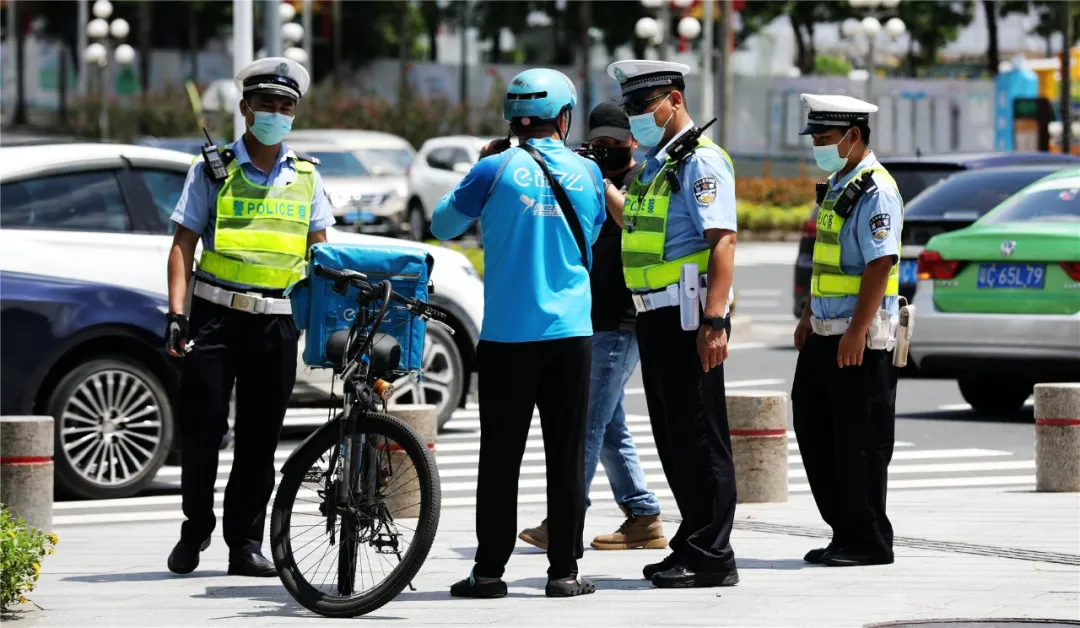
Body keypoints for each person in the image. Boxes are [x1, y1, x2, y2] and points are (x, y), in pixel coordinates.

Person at [432, 68, 606, 599]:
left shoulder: (493, 168)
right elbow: (594, 231)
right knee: (566, 454)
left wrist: (484, 168)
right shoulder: (587, 173)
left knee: (500, 457)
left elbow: (442, 225)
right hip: (570, 334)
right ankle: (564, 572)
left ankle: (488, 572)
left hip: (506, 337)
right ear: (564, 117)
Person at [164, 57, 335, 577]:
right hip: (216, 317)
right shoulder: (212, 169)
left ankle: (244, 542)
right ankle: (196, 526)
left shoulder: (307, 178)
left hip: (277, 323)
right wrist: (177, 315)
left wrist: (327, 325)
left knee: (260, 441)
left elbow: (323, 254)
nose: (276, 113)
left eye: (286, 106)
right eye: (267, 104)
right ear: (245, 109)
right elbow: (181, 246)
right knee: (202, 431)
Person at [605, 60, 739, 589]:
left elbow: (723, 241)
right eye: (631, 108)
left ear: (675, 100)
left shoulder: (701, 162)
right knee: (674, 436)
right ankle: (693, 539)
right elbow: (633, 226)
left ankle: (713, 554)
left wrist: (715, 320)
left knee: (702, 435)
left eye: (644, 105)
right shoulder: (660, 165)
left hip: (689, 317)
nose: (637, 116)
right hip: (654, 316)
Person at [518, 101, 667, 553]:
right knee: (608, 424)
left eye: (611, 145)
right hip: (590, 318)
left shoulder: (642, 180)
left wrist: (601, 182)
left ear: (631, 143)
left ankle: (566, 518)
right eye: (595, 143)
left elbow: (635, 224)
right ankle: (643, 515)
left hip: (621, 320)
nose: (602, 151)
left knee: (585, 423)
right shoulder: (582, 175)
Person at [791, 93, 903, 568]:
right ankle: (844, 531)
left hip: (859, 337)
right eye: (815, 136)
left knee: (860, 441)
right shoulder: (841, 182)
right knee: (816, 427)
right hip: (825, 331)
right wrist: (806, 317)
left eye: (825, 136)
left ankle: (869, 540)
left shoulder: (876, 188)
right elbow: (828, 262)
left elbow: (881, 263)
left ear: (853, 136)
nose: (817, 144)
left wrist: (856, 331)